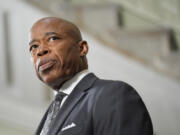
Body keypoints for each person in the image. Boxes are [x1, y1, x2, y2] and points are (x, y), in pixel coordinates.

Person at [29, 17, 153, 135]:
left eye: (52, 38)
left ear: (82, 48)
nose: (40, 51)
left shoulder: (112, 94)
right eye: (34, 47)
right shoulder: (51, 114)